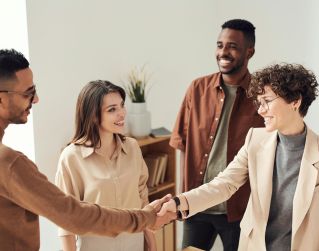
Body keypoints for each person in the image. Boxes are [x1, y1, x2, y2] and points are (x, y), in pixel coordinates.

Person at [0, 48, 175, 251]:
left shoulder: (132, 147)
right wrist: (146, 217)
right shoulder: (15, 163)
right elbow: (71, 217)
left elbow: (141, 196)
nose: (36, 99)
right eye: (28, 93)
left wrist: (149, 239)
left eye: (121, 105)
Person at [159, 63, 319, 251]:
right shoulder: (255, 140)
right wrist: (179, 202)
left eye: (267, 100)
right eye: (259, 102)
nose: (260, 110)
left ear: (295, 101)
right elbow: (224, 184)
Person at [169, 19, 264, 250]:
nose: (223, 52)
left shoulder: (261, 95)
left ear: (249, 51)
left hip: (239, 209)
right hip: (196, 205)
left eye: (232, 46)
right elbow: (181, 143)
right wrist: (182, 197)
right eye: (220, 45)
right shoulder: (197, 89)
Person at [55, 80, 156, 251]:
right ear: (93, 116)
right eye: (112, 110)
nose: (122, 113)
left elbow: (143, 201)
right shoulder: (72, 157)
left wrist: (152, 245)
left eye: (122, 106)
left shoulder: (132, 147)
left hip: (134, 243)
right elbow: (65, 220)